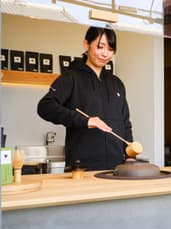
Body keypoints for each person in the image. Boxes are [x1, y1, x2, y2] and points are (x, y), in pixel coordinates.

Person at [37, 26, 133, 170]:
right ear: (86, 44)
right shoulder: (71, 77)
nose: (105, 53)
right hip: (82, 168)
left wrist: (130, 155)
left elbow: (125, 123)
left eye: (111, 49)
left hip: (116, 168)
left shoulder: (116, 83)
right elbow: (45, 107)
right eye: (100, 47)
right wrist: (85, 121)